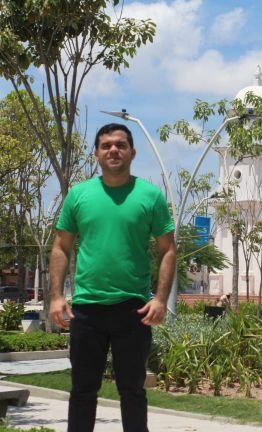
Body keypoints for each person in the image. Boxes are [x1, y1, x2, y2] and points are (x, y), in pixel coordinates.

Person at [49, 123, 176, 432]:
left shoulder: (150, 196)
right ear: (96, 153)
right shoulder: (79, 195)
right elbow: (61, 246)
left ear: (132, 152)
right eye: (106, 145)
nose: (113, 150)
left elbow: (168, 250)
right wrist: (55, 296)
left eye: (120, 144)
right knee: (82, 391)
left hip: (133, 311)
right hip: (86, 309)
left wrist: (160, 299)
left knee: (132, 391)